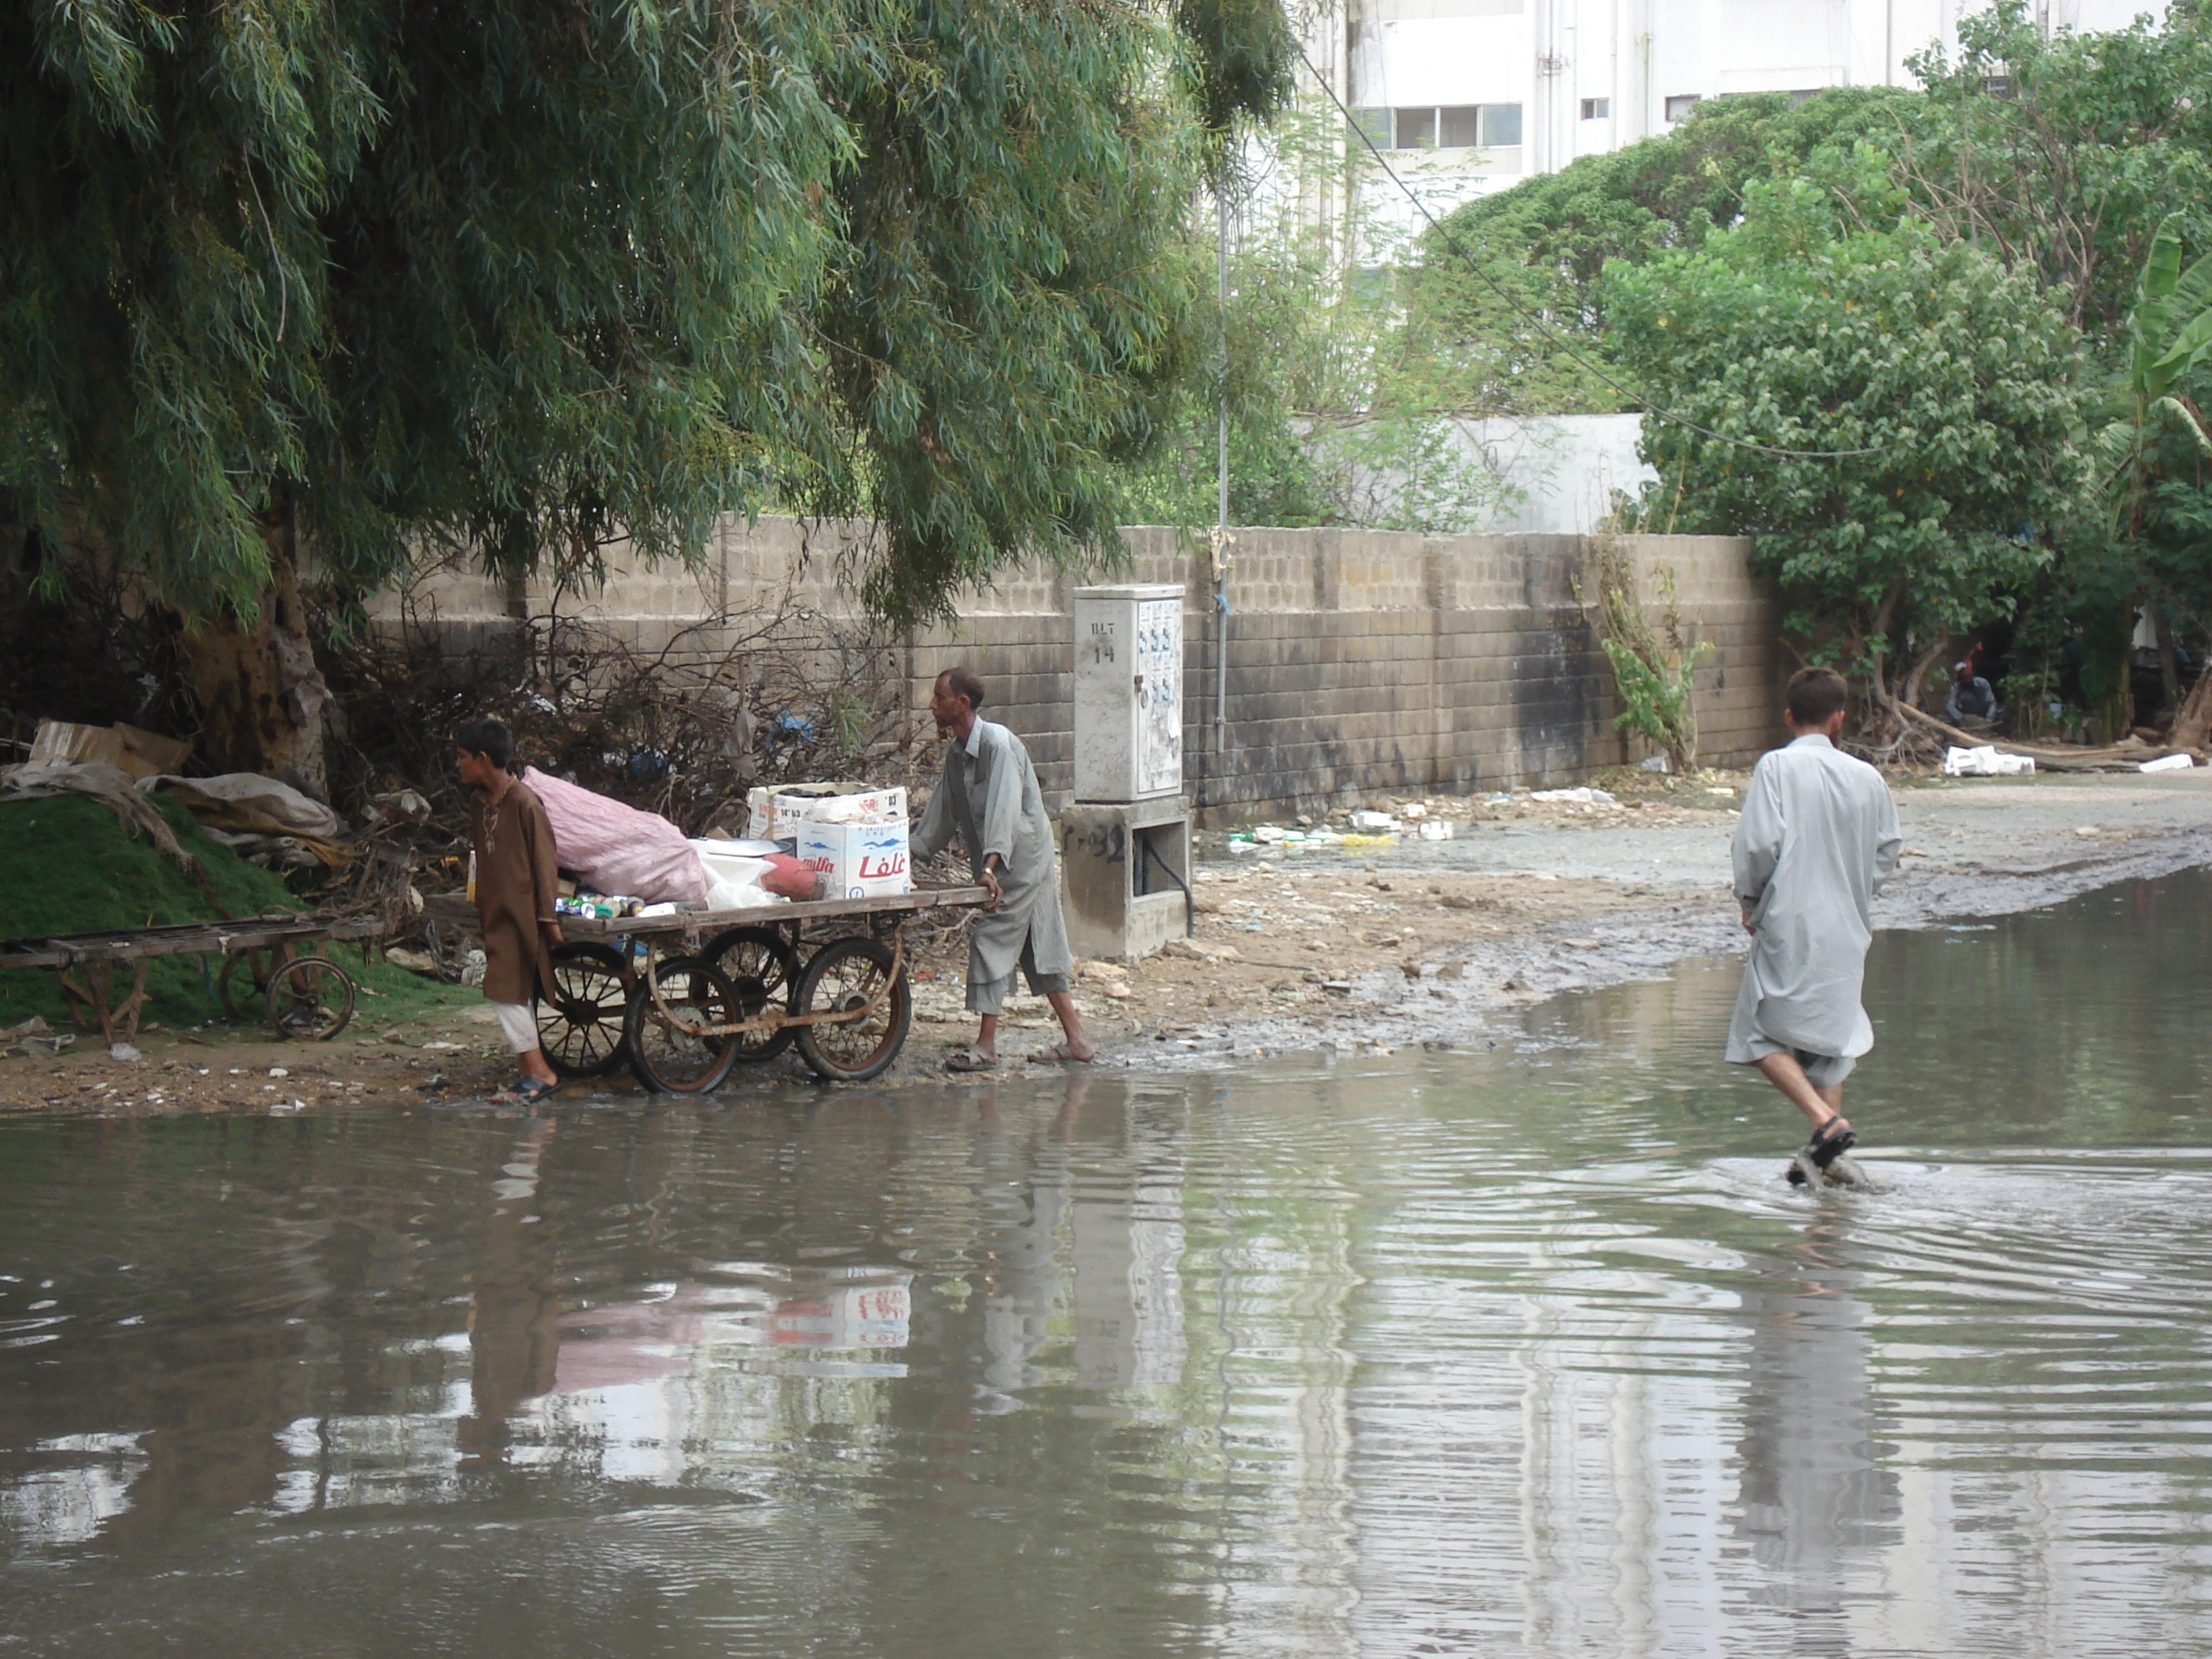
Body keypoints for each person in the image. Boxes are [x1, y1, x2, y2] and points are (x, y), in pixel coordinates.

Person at [1726, 667, 1903, 1180]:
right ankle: (1826, 1165)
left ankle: (1825, 1123)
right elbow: (1888, 849)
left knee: (1756, 1032)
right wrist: (1856, 891)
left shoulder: (1776, 768)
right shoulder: (1868, 777)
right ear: (1838, 719)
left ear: (1788, 717)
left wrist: (1751, 900)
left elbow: (1758, 844)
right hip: (1849, 925)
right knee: (1830, 1042)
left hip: (1790, 918)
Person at [911, 667, 1094, 1071]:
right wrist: (907, 853)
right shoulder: (958, 754)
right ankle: (1078, 1040)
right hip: (1003, 860)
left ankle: (986, 1046)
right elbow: (942, 812)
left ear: (961, 704)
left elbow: (1005, 811)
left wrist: (991, 869)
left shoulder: (999, 745)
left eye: (939, 698)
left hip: (1021, 859)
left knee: (990, 938)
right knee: (1036, 946)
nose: (932, 705)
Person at [456, 717, 565, 1104]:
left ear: (483, 759)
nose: (459, 764)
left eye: (463, 757)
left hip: (522, 912)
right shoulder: (478, 803)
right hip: (495, 909)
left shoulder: (524, 803)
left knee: (504, 988)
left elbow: (544, 860)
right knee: (511, 989)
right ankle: (529, 1069)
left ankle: (540, 1072)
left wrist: (547, 918)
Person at [1944, 660, 2000, 727]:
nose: (1966, 680)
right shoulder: (1956, 688)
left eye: (1967, 676)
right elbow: (1950, 706)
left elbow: (1991, 703)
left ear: (1972, 674)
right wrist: (1961, 719)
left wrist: (1988, 720)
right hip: (1965, 721)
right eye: (1962, 678)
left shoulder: (1982, 683)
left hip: (1983, 719)